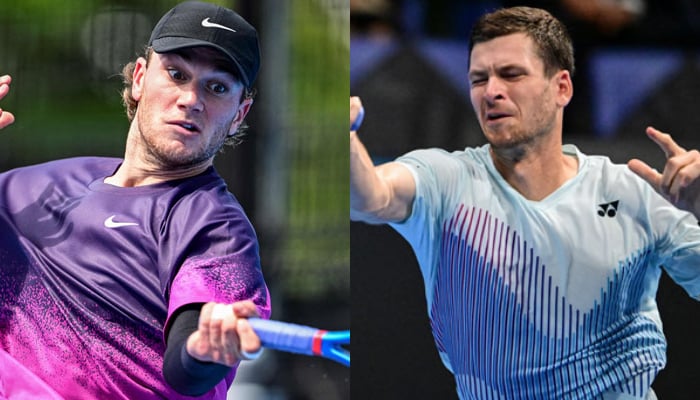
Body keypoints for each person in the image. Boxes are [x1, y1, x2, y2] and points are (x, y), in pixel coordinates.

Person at [350, 6, 700, 400]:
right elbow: (370, 197)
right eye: (478, 79)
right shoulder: (444, 180)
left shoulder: (632, 190)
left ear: (561, 88)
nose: (491, 91)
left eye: (511, 74)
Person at [0, 1, 270, 399]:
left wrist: (204, 349)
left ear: (238, 114)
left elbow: (188, 369)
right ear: (140, 78)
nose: (191, 99)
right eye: (177, 74)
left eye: (216, 87)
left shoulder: (217, 228)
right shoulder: (26, 188)